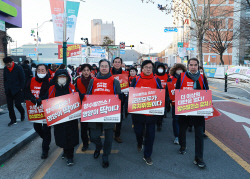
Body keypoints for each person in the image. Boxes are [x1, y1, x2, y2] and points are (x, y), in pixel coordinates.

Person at [86, 59, 123, 168]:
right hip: (95, 113)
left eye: (106, 66)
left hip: (109, 114)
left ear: (109, 67)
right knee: (94, 136)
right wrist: (83, 96)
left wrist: (121, 98)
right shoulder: (93, 81)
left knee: (108, 138)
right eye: (102, 66)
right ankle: (98, 147)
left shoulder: (114, 81)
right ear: (99, 67)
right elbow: (88, 96)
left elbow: (119, 98)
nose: (104, 68)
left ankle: (105, 156)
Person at [175, 58, 209, 168]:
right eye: (191, 65)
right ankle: (183, 145)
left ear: (198, 66)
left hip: (198, 110)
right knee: (182, 130)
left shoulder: (203, 78)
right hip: (184, 109)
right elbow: (177, 91)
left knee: (199, 134)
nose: (193, 67)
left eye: (195, 65)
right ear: (188, 66)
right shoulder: (182, 76)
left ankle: (198, 157)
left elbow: (207, 92)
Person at [130, 60, 162, 165]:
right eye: (146, 67)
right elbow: (131, 94)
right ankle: (139, 142)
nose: (148, 69)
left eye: (150, 67)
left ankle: (147, 155)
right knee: (138, 132)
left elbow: (161, 95)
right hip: (138, 113)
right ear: (142, 68)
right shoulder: (136, 79)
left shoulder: (157, 80)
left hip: (152, 113)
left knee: (150, 135)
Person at [45, 69, 79, 166]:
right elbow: (45, 98)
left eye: (64, 76)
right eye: (60, 76)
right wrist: (36, 100)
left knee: (71, 136)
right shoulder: (52, 89)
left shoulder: (72, 87)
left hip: (71, 118)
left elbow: (79, 96)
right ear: (56, 78)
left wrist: (83, 96)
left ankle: (70, 156)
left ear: (68, 78)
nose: (62, 78)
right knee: (62, 136)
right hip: (58, 118)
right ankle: (65, 150)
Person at [25, 64, 51, 159]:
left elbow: (51, 93)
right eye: (38, 70)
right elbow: (26, 91)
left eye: (42, 70)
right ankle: (46, 139)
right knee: (37, 128)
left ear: (46, 71)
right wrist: (31, 97)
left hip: (47, 109)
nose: (40, 72)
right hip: (35, 109)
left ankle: (45, 149)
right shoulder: (31, 80)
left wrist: (42, 98)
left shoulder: (49, 81)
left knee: (46, 130)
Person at [166, 63, 187, 145]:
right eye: (177, 69)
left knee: (184, 120)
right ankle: (177, 136)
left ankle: (182, 134)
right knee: (176, 119)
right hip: (175, 103)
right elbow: (167, 91)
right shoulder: (170, 79)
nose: (179, 70)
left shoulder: (186, 78)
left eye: (180, 69)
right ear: (174, 70)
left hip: (185, 103)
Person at [3, 57, 25, 126]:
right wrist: (6, 87)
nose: (7, 65)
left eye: (8, 64)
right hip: (9, 90)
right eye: (6, 64)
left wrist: (21, 88)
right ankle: (13, 120)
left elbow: (23, 79)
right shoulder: (5, 69)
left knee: (17, 104)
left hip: (17, 89)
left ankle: (22, 113)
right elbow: (5, 79)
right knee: (10, 106)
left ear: (12, 62)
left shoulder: (18, 68)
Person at [75, 64, 92, 151]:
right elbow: (74, 92)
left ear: (90, 71)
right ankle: (85, 143)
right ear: (81, 71)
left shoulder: (94, 80)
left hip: (92, 107)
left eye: (87, 70)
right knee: (83, 127)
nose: (86, 72)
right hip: (82, 107)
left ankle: (92, 138)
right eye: (84, 70)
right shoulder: (77, 81)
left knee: (92, 126)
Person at [110, 57, 127, 143]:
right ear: (113, 64)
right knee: (109, 114)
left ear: (121, 64)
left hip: (121, 97)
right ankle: (110, 131)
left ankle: (117, 135)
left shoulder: (125, 73)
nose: (117, 63)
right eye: (115, 62)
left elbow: (127, 86)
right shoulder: (109, 73)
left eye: (118, 62)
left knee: (119, 116)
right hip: (109, 97)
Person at [154, 63, 169, 131]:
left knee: (163, 111)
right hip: (156, 96)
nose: (160, 69)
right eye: (159, 68)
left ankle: (160, 122)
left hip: (165, 96)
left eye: (162, 68)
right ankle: (158, 123)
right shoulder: (154, 76)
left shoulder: (167, 76)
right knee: (157, 112)